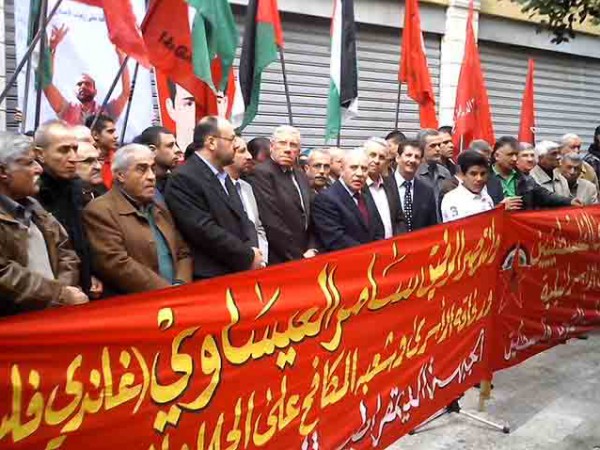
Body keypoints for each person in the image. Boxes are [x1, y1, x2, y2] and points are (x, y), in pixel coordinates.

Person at [83, 144, 192, 294]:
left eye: (152, 169)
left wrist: (181, 285)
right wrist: (167, 292)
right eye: (141, 169)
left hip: (177, 297)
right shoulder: (100, 210)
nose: (151, 176)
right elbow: (115, 263)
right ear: (120, 175)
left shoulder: (159, 206)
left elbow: (182, 252)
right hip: (137, 302)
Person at [0, 132, 88, 316]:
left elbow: (66, 252)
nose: (39, 169)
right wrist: (59, 294)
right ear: (3, 172)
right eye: (29, 162)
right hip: (14, 325)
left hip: (52, 318)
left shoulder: (36, 209)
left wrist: (64, 292)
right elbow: (4, 274)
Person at [165, 117, 264, 279]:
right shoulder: (184, 178)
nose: (235, 145)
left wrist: (253, 252)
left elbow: (244, 220)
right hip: (211, 276)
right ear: (211, 142)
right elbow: (204, 230)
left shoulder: (224, 176)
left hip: (239, 270)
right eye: (231, 139)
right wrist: (247, 256)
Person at [34, 120, 98, 298]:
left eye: (75, 149)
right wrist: (63, 292)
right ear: (40, 154)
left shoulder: (77, 188)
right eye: (63, 150)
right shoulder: (30, 195)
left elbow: (82, 239)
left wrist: (90, 274)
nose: (73, 157)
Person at [251, 125, 317, 264]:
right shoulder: (261, 173)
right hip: (282, 258)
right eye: (282, 143)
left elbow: (312, 214)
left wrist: (313, 248)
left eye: (293, 145)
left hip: (308, 254)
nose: (288, 149)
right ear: (272, 147)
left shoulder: (301, 175)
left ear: (298, 151)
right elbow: (271, 222)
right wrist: (299, 257)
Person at [44, 25, 130, 125]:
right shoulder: (67, 110)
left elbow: (126, 92)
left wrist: (121, 57)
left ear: (95, 91)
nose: (83, 86)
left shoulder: (106, 112)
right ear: (75, 91)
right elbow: (46, 84)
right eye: (79, 84)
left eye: (88, 84)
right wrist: (51, 48)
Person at [312, 149, 384, 251]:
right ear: (342, 170)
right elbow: (336, 239)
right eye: (353, 168)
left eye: (364, 169)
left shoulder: (365, 196)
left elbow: (378, 230)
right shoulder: (326, 199)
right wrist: (368, 252)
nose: (359, 173)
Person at [487, 136, 576, 210]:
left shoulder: (525, 178)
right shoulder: (484, 178)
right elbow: (480, 210)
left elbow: (544, 195)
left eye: (516, 154)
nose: (514, 159)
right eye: (510, 155)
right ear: (497, 156)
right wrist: (499, 207)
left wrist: (570, 201)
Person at [225, 137, 269, 264]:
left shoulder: (247, 187)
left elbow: (258, 227)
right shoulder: (217, 188)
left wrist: (262, 261)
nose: (249, 156)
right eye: (242, 151)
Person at [388, 140, 438, 232]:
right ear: (397, 158)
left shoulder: (427, 192)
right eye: (408, 155)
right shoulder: (385, 186)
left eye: (417, 157)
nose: (412, 160)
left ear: (421, 161)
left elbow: (432, 228)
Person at [363, 138, 406, 238]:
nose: (376, 161)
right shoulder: (357, 186)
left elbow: (399, 218)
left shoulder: (391, 184)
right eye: (372, 155)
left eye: (381, 157)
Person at [441, 151, 494, 222]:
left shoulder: (486, 196)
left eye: (482, 174)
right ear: (462, 174)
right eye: (473, 174)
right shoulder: (451, 199)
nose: (479, 179)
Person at [133, 126, 180, 198]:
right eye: (170, 146)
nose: (177, 150)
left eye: (176, 144)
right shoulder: (139, 186)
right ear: (152, 150)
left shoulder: (176, 181)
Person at [415, 129, 452, 218]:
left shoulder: (445, 172)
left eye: (439, 145)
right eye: (433, 146)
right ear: (421, 148)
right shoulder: (414, 173)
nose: (438, 149)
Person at [85, 114, 119, 188]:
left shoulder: (119, 161)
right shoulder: (81, 161)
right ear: (95, 135)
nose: (116, 136)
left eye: (114, 131)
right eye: (110, 132)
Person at [75, 139, 106, 205]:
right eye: (88, 161)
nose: (99, 166)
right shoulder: (66, 200)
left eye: (98, 160)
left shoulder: (104, 192)